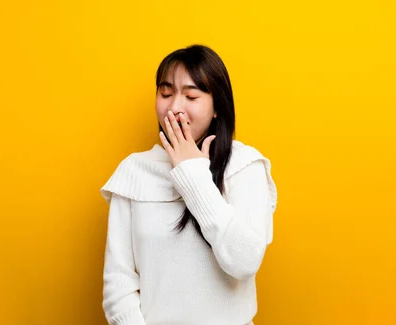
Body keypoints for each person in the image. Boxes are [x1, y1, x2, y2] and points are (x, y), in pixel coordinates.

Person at [100, 44, 278, 325]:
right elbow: (118, 285)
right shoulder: (134, 171)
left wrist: (193, 174)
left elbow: (243, 262)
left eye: (191, 95)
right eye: (166, 93)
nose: (174, 107)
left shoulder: (244, 165)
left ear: (217, 106)